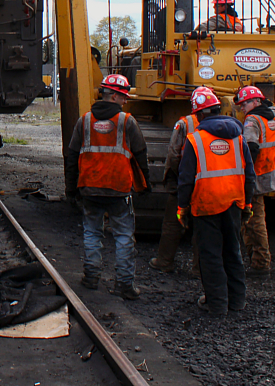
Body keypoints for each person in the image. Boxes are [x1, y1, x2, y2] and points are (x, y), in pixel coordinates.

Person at [65, 74, 150, 300]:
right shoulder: (127, 121)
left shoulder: (84, 121)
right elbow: (141, 154)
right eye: (123, 97)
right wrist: (146, 184)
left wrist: (70, 189)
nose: (125, 101)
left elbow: (72, 156)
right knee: (123, 236)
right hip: (118, 188)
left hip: (90, 187)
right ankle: (124, 285)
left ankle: (91, 277)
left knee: (92, 232)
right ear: (113, 95)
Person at [176, 86, 255, 315]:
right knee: (233, 251)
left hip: (206, 204)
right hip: (234, 203)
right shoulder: (238, 137)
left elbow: (185, 179)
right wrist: (247, 204)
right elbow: (249, 175)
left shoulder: (195, 140)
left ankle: (217, 304)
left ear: (199, 115)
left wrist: (182, 208)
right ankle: (237, 302)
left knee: (210, 255)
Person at [150, 106, 200, 275]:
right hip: (207, 186)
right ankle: (199, 269)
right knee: (203, 227)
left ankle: (164, 261)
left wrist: (172, 177)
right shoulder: (225, 125)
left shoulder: (185, 124)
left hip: (184, 183)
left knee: (174, 221)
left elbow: (173, 154)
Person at [234, 85, 275, 275]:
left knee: (254, 218)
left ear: (255, 102)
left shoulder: (252, 120)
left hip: (256, 174)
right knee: (253, 217)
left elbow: (251, 148)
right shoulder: (272, 115)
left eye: (244, 104)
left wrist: (244, 174)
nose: (242, 109)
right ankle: (254, 256)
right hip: (268, 171)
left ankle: (260, 262)